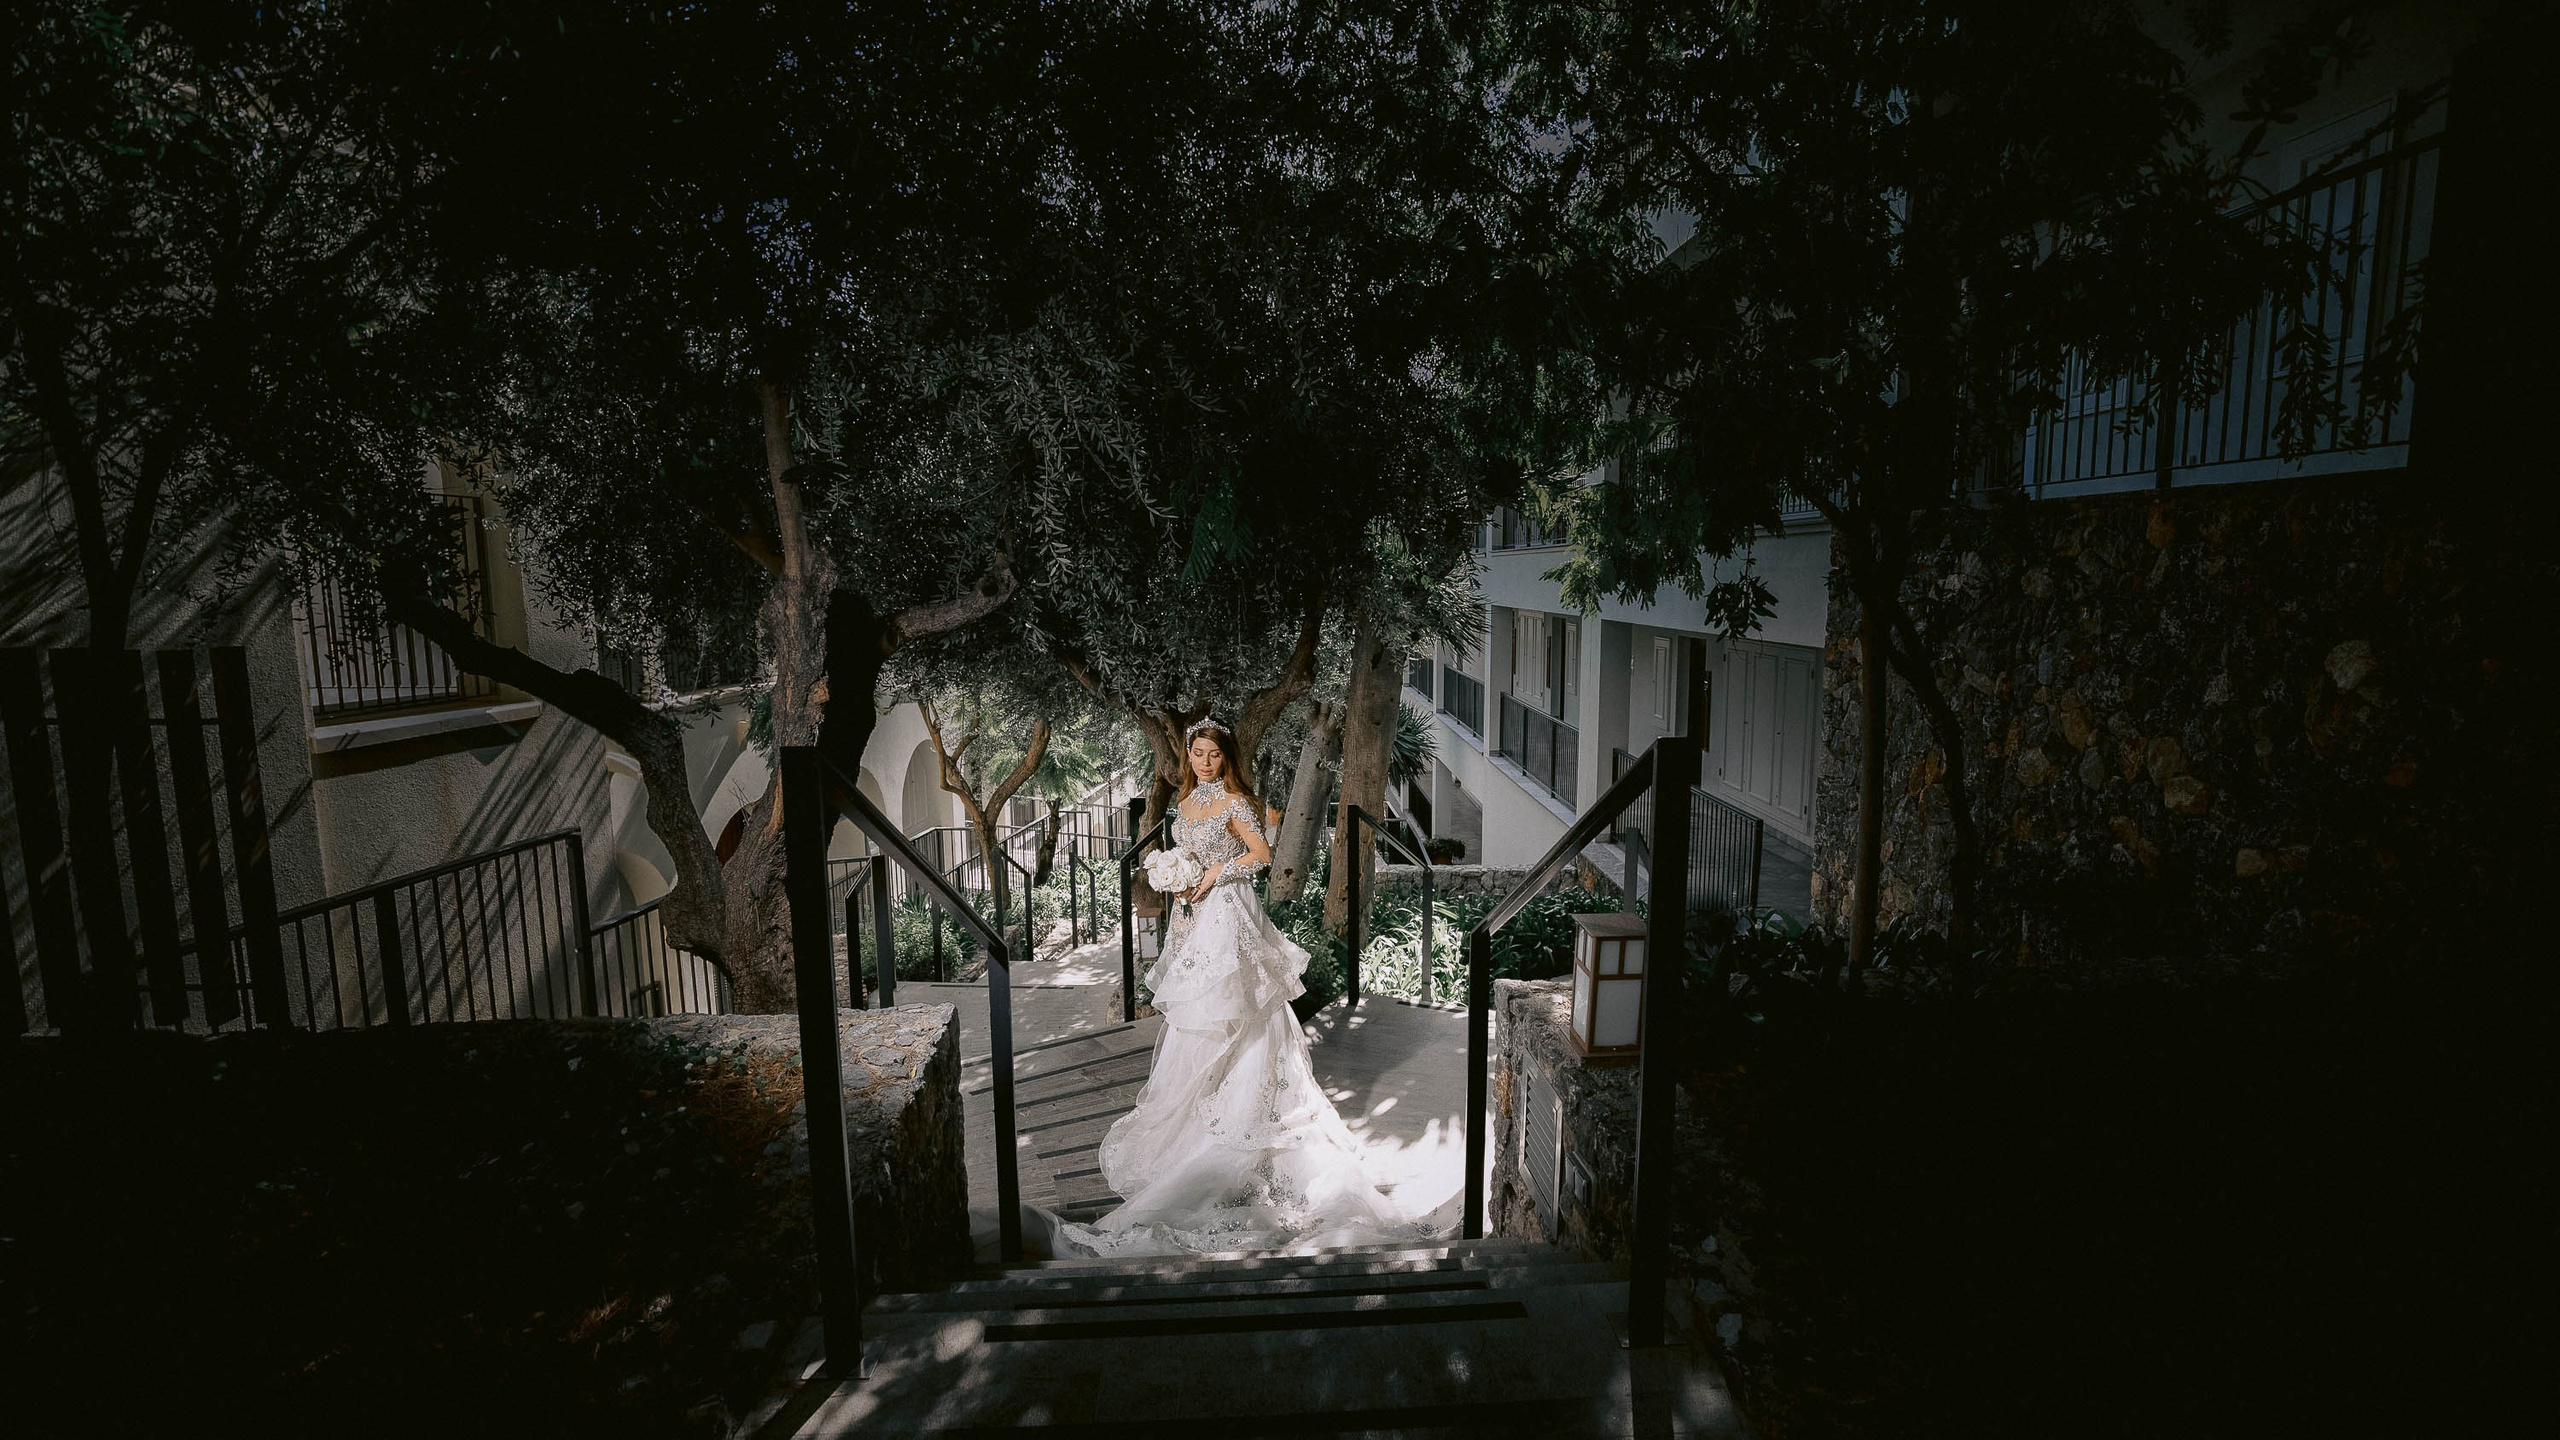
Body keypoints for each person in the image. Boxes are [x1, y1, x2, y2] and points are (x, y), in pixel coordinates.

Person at [1048, 717, 1441, 1257]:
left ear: (1226, 758)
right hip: (1191, 923)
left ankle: (1244, 1116)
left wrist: (1212, 876)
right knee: (1199, 1022)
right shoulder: (1184, 806)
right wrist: (1178, 880)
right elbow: (1181, 856)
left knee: (1241, 1014)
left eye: (1214, 755)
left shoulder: (1235, 803)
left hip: (1229, 916)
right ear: (1189, 756)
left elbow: (1259, 855)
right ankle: (1199, 1117)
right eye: (1198, 754)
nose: (1206, 762)